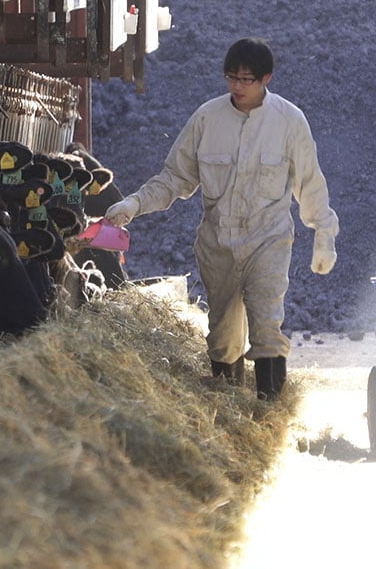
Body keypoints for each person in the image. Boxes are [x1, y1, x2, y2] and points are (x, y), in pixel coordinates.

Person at [104, 37, 339, 401]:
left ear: (266, 79)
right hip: (218, 246)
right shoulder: (207, 119)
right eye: (231, 77)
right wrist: (134, 204)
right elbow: (175, 177)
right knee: (224, 337)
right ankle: (230, 412)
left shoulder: (289, 121)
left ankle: (270, 414)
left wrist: (324, 233)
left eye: (246, 80)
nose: (237, 87)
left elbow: (310, 182)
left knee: (266, 325)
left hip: (268, 240)